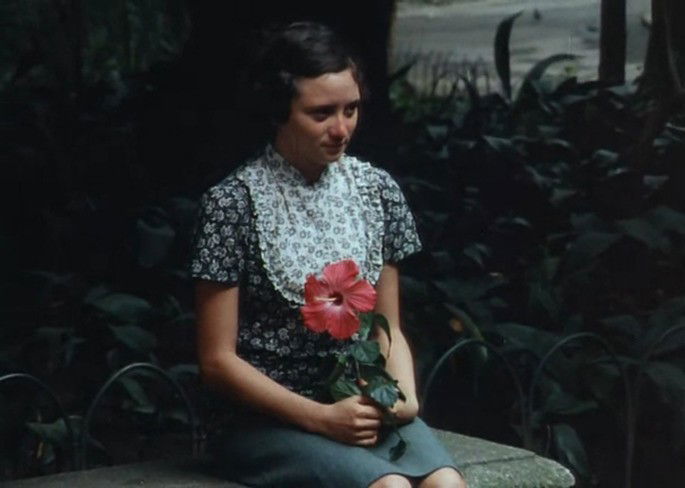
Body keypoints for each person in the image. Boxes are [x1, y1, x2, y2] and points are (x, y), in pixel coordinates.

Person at [190, 21, 467, 488]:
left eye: (351, 109)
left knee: (446, 484)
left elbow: (387, 326)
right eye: (321, 114)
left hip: (356, 404)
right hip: (265, 421)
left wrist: (403, 397)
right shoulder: (232, 204)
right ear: (279, 111)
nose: (341, 129)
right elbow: (217, 361)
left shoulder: (376, 191)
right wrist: (321, 417)